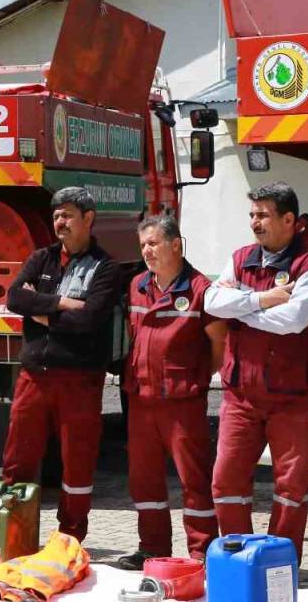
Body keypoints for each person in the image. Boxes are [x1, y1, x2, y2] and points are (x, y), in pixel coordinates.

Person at [203, 182, 308, 561]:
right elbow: (212, 301)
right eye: (252, 215)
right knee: (225, 481)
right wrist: (262, 299)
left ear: (289, 219)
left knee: (291, 489)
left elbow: (292, 320)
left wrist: (239, 306)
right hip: (241, 395)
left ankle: (280, 563)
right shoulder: (241, 256)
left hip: (294, 399)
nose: (254, 223)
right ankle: (240, 558)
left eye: (263, 215)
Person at [2, 186, 122, 540]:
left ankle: (70, 538)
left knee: (78, 463)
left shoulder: (107, 267)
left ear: (89, 218)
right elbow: (13, 298)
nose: (60, 222)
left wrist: (41, 309)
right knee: (18, 460)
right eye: (56, 215)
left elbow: (89, 321)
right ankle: (17, 536)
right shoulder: (42, 258)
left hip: (80, 380)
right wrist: (62, 304)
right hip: (34, 377)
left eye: (68, 215)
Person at [115, 215, 224, 569]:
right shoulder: (136, 286)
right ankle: (152, 548)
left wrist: (193, 377)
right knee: (144, 481)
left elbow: (219, 346)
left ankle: (201, 553)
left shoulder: (200, 289)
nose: (146, 250)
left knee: (194, 481)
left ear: (176, 245)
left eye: (153, 243)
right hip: (141, 399)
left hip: (182, 403)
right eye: (143, 244)